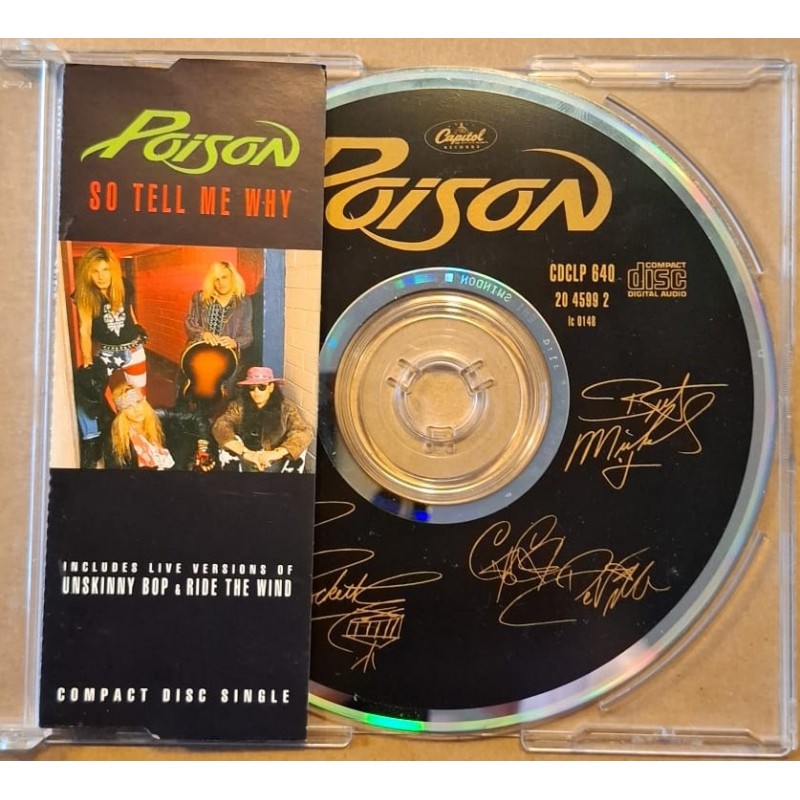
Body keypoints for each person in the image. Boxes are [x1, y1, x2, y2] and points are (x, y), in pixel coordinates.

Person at [212, 366, 313, 472]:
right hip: (246, 459)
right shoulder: (238, 406)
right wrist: (246, 453)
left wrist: (277, 453)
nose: (256, 391)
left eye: (261, 387)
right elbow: (220, 425)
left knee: (298, 447)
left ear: (271, 387)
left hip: (274, 461)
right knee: (226, 442)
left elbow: (304, 431)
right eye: (252, 388)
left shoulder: (286, 408)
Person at [74, 246, 147, 392]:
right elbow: (85, 329)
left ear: (112, 270)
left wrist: (137, 326)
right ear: (88, 273)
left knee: (138, 398)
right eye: (95, 271)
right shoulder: (85, 294)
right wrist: (88, 361)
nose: (101, 277)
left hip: (134, 350)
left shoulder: (123, 285)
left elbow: (129, 310)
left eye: (105, 270)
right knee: (94, 394)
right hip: (107, 354)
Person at [185, 261, 253, 354]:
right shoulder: (200, 297)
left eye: (224, 277)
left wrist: (235, 342)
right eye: (216, 279)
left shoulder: (244, 302)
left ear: (233, 277)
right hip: (199, 354)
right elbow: (189, 323)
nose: (221, 283)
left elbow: (248, 336)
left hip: (227, 357)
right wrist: (203, 334)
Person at [105, 385, 175, 470]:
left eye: (138, 402)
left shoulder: (160, 426)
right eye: (129, 407)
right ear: (122, 413)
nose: (136, 409)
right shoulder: (117, 442)